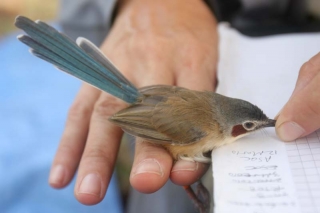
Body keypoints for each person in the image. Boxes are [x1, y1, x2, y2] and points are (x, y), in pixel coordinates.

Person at [49, 0, 320, 211]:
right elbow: (149, 126)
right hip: (147, 110)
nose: (255, 129)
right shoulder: (202, 128)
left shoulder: (215, 107)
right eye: (249, 126)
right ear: (230, 127)